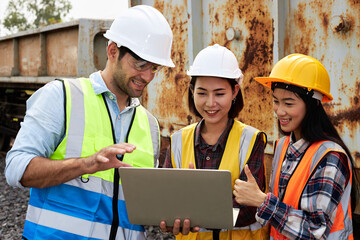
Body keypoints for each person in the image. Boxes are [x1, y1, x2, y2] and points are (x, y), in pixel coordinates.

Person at [5, 5, 175, 240]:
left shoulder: (150, 124)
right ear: (113, 51)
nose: (147, 77)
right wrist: (86, 164)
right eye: (140, 64)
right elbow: (16, 169)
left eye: (154, 68)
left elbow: (137, 206)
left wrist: (172, 217)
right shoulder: (62, 96)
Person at [233, 53, 357, 239]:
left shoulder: (331, 158)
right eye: (276, 101)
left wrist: (261, 201)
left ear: (312, 105)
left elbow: (314, 231)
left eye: (289, 103)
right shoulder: (282, 146)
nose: (279, 111)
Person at [160, 44, 270, 239]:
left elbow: (247, 209)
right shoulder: (177, 141)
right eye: (202, 93)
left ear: (235, 91)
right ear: (192, 91)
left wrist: (192, 207)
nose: (210, 103)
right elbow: (169, 203)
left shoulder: (251, 140)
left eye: (219, 94)